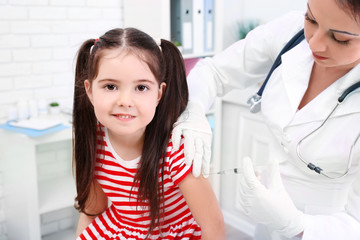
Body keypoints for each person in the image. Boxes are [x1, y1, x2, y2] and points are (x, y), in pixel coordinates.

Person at [171, 0, 360, 239]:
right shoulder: (290, 32)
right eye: (311, 19)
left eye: (340, 39)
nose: (314, 42)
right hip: (264, 216)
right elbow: (213, 71)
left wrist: (295, 225)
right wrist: (194, 111)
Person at [72, 27, 225, 240]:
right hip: (118, 230)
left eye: (141, 88)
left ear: (159, 94)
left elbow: (213, 227)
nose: (125, 101)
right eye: (110, 86)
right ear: (89, 91)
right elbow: (93, 211)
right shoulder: (94, 141)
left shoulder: (176, 148)